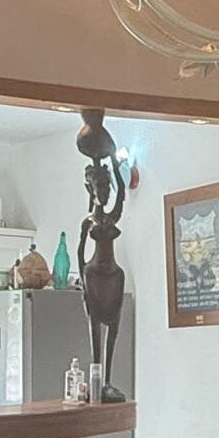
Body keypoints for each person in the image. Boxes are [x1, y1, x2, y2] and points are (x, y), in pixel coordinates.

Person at [76, 108, 128, 401]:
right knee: (95, 326)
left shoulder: (112, 217)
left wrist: (114, 163)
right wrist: (83, 281)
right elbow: (80, 251)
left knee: (114, 324)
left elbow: (121, 193)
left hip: (113, 275)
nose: (104, 192)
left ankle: (107, 380)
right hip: (94, 274)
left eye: (105, 187)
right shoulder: (91, 221)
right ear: (91, 189)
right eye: (99, 187)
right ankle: (97, 378)